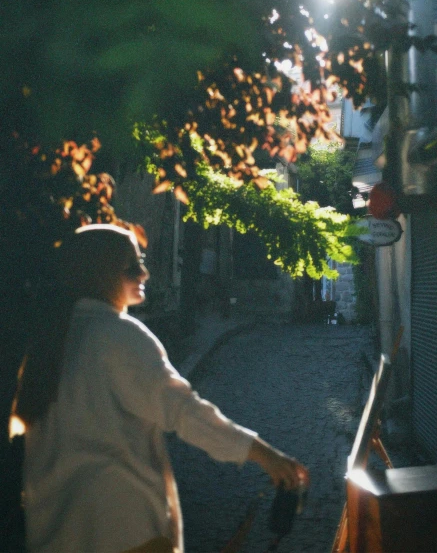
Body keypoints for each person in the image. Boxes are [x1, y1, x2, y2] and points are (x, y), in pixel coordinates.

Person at [10, 224, 309, 553]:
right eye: (131, 265)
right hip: (121, 530)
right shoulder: (118, 335)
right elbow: (184, 411)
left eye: (142, 260)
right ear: (100, 273)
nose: (145, 273)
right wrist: (266, 455)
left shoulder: (50, 340)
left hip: (54, 532)